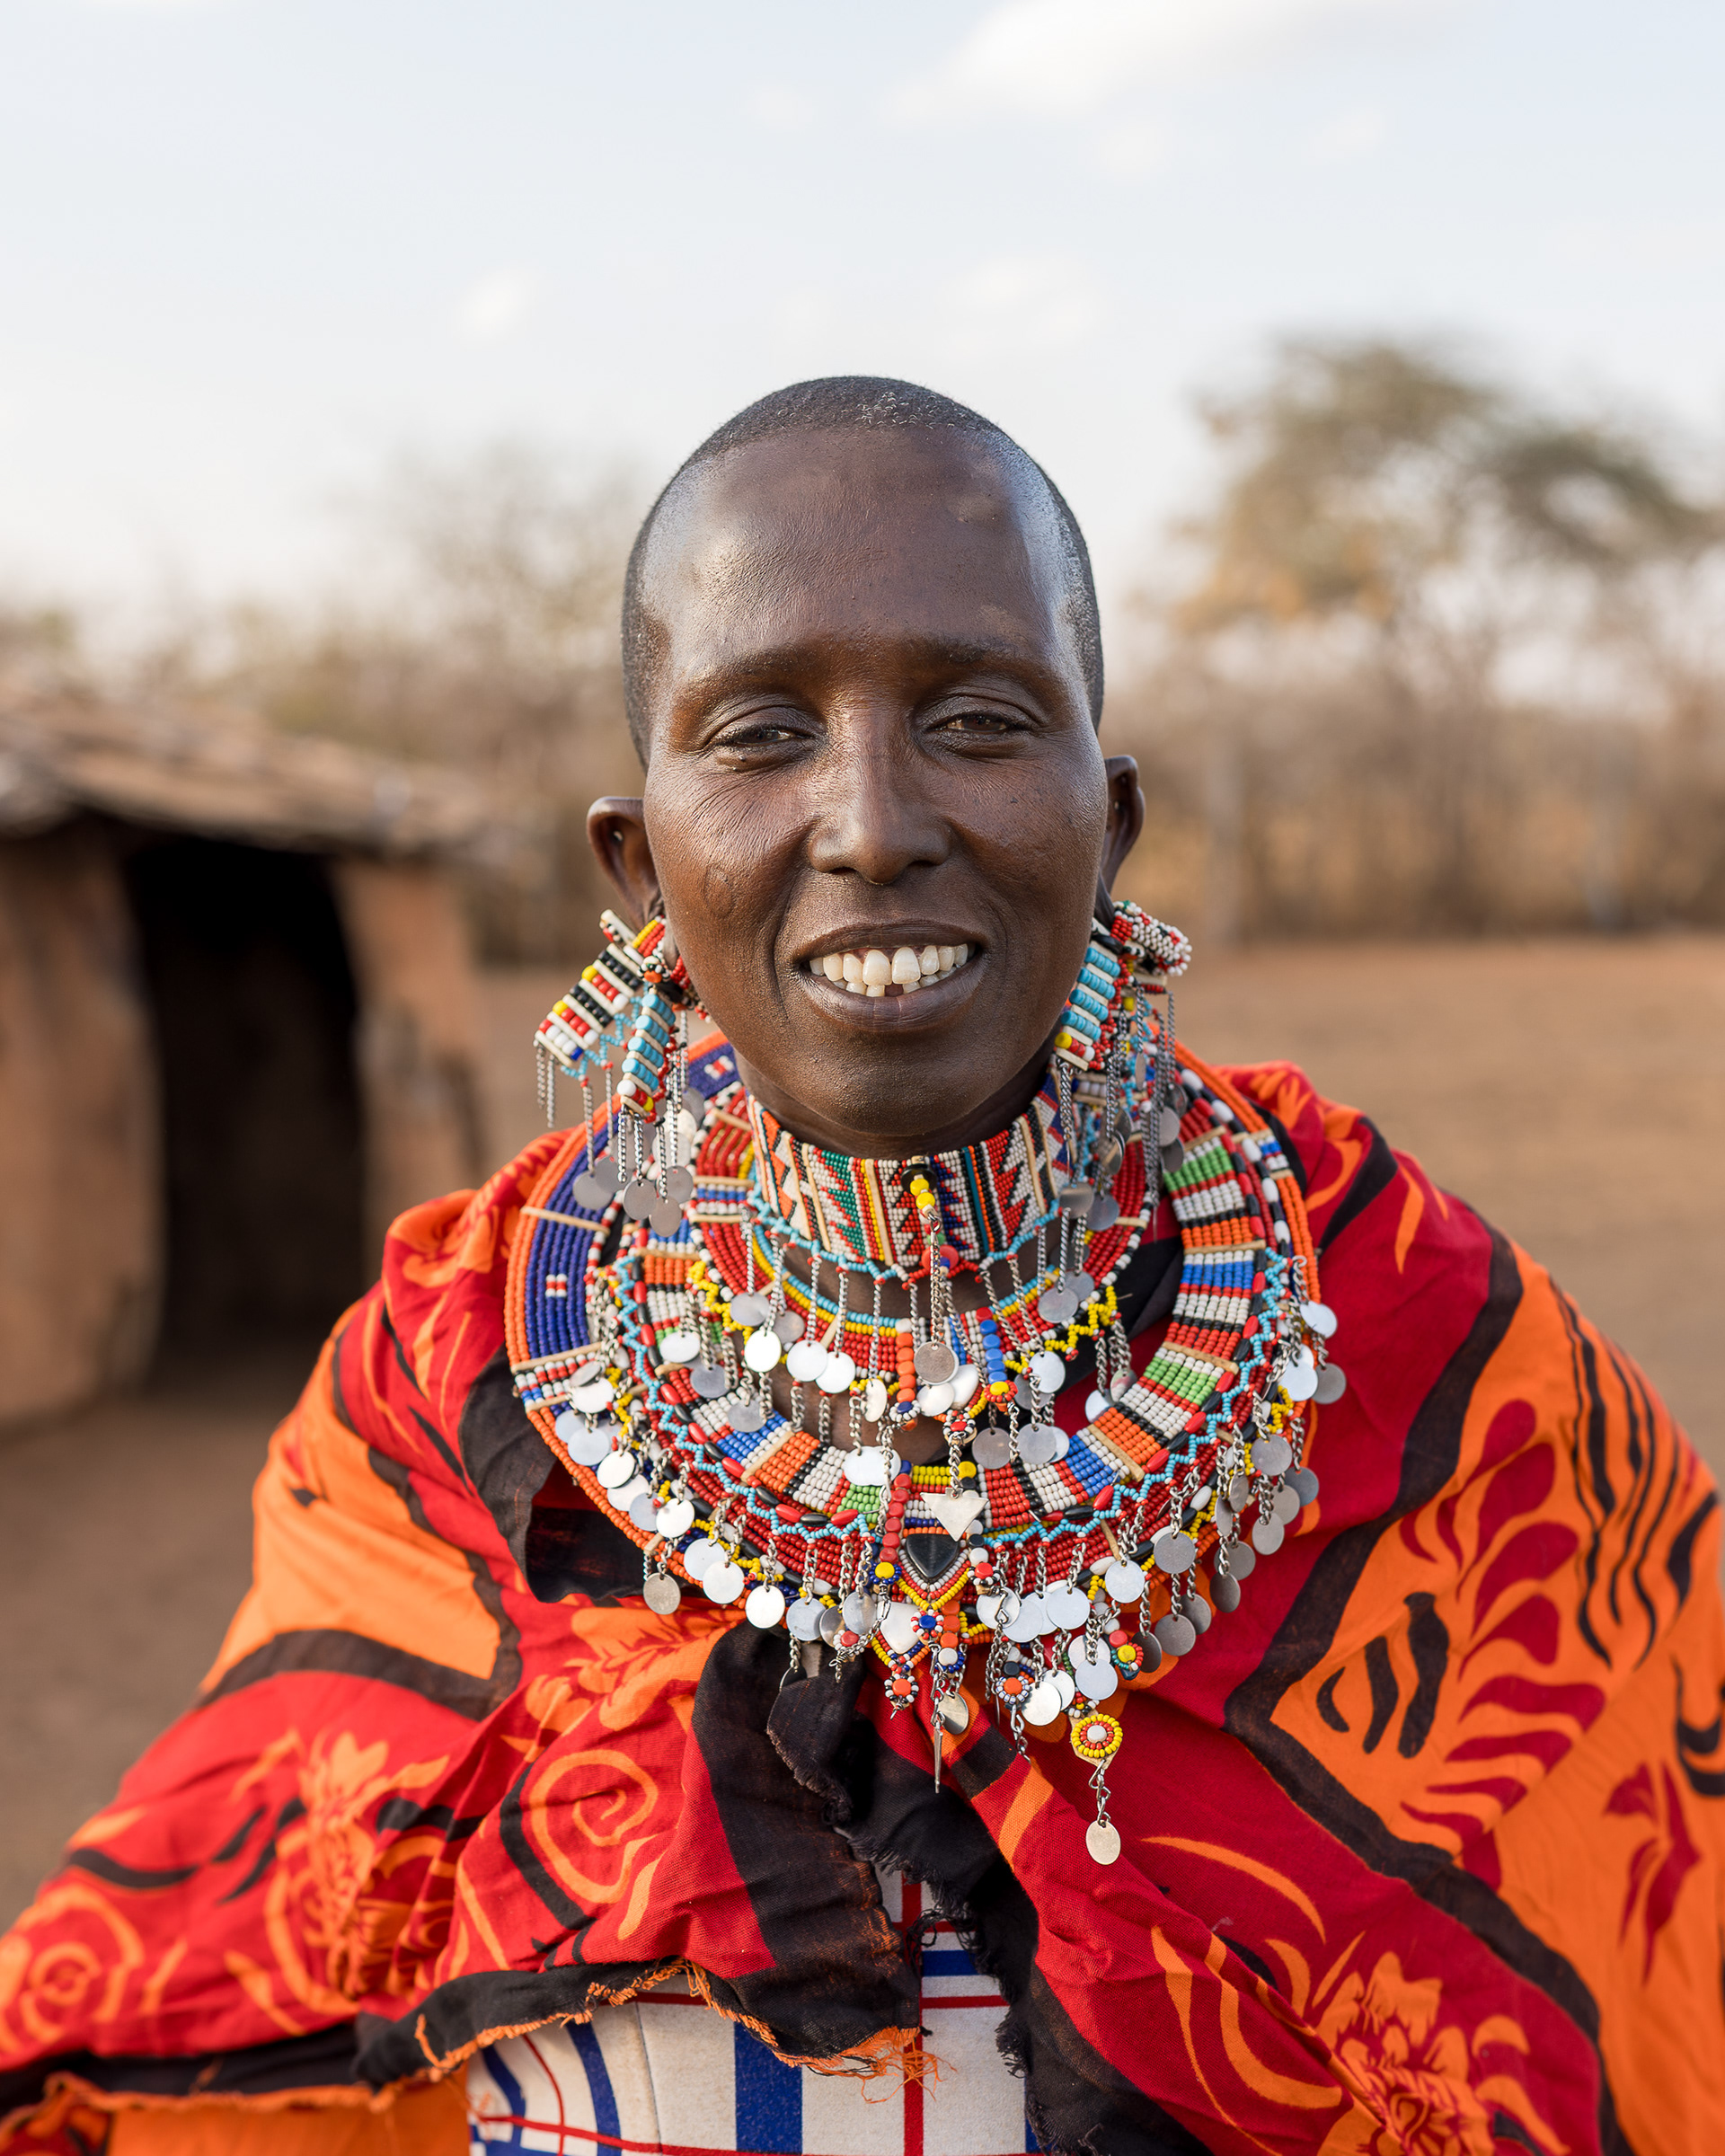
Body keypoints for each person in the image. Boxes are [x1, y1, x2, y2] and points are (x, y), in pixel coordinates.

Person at [2, 377, 1721, 2156]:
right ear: (638, 863)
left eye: (981, 720)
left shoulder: (1407, 1327)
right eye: (756, 736)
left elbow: (1648, 1968)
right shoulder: (451, 1370)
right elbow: (218, 1970)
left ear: (1110, 819)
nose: (875, 821)